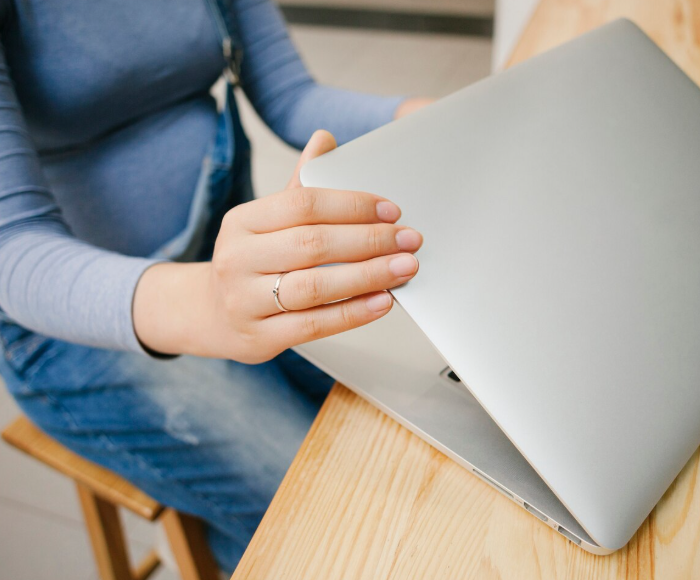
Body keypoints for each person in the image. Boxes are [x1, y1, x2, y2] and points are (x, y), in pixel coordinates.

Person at [0, 0, 431, 572]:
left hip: (231, 270)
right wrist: (207, 303)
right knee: (342, 520)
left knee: (419, 437)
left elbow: (291, 96)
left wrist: (425, 119)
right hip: (82, 326)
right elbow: (13, 246)